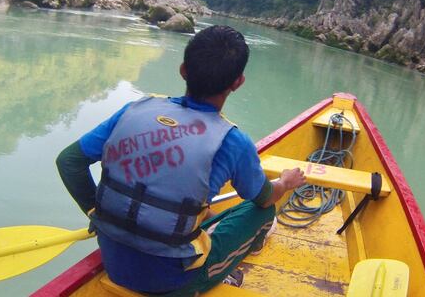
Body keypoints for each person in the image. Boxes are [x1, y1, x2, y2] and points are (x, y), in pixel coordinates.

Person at [56, 25, 306, 295]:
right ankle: (225, 267)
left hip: (114, 260)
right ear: (238, 82)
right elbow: (265, 197)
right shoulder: (233, 141)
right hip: (173, 283)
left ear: (183, 70)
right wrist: (286, 181)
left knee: (201, 211)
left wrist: (96, 212)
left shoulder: (135, 109)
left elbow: (69, 162)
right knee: (262, 213)